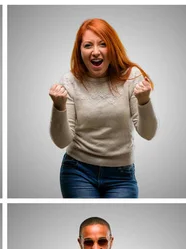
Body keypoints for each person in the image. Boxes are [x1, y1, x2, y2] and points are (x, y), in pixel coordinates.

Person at [49, 18, 157, 198]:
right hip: (78, 172)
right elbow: (62, 141)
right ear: (80, 50)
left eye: (103, 44)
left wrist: (144, 101)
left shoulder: (131, 77)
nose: (96, 52)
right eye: (88, 45)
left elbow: (148, 133)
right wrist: (58, 107)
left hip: (121, 176)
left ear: (112, 48)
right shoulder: (69, 81)